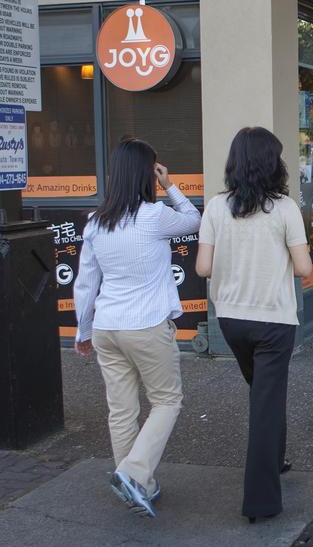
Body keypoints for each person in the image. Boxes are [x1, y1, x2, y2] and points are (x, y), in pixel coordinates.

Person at [72, 140, 201, 518]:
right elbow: (194, 220)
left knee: (121, 410)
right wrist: (170, 186)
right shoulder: (154, 216)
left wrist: (83, 330)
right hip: (145, 325)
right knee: (166, 401)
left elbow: (85, 282)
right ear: (149, 174)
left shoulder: (96, 222)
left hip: (108, 327)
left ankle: (135, 485)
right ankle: (132, 473)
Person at [195, 127, 313, 522]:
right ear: (271, 164)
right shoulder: (284, 209)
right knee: (264, 404)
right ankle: (260, 502)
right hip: (275, 321)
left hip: (230, 319)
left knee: (266, 395)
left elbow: (203, 267)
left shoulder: (215, 207)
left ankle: (276, 460)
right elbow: (304, 269)